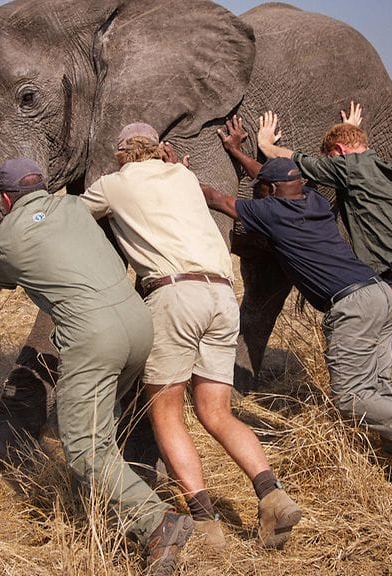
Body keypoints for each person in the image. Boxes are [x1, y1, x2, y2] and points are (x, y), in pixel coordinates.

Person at [80, 122, 301, 550]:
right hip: (222, 295)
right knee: (217, 412)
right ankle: (272, 495)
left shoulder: (114, 184)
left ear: (121, 153)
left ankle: (204, 523)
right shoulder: (183, 175)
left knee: (166, 414)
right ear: (158, 149)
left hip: (174, 294)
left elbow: (73, 217)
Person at [0, 158, 192, 576]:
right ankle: (99, 517)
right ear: (42, 185)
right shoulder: (75, 206)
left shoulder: (6, 238)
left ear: (5, 199)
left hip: (93, 336)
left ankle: (156, 522)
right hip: (138, 322)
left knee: (83, 447)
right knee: (99, 428)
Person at [203, 153, 392, 484]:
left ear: (271, 190)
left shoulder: (271, 211)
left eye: (262, 189)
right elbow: (276, 178)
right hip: (380, 294)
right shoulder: (313, 199)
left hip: (352, 304)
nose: (259, 194)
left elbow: (217, 199)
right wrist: (241, 152)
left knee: (350, 396)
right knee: (378, 387)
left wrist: (177, 172)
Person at [251, 104, 392, 423]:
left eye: (332, 158)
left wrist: (267, 146)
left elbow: (300, 162)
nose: (332, 165)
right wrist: (350, 131)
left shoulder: (350, 168)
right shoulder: (390, 171)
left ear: (339, 152)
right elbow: (354, 154)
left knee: (365, 358)